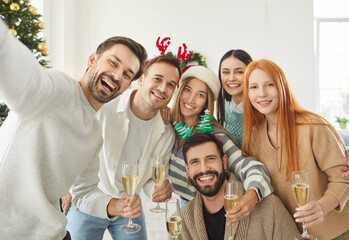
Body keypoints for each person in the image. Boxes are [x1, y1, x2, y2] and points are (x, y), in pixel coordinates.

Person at [0, 20, 147, 240]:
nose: (117, 75)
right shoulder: (58, 89)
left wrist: (114, 205)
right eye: (113, 63)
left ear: (127, 87)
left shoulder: (95, 132)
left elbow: (85, 192)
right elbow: (23, 76)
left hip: (53, 233)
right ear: (92, 60)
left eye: (127, 74)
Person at [65, 54, 181, 240]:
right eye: (157, 79)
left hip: (129, 206)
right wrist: (69, 188)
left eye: (171, 84)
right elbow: (72, 145)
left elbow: (152, 179)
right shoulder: (105, 106)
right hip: (90, 202)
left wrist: (157, 191)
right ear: (141, 79)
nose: (162, 88)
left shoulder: (166, 131)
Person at [242, 59, 349, 239]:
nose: (261, 93)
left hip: (338, 232)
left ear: (282, 87)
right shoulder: (253, 137)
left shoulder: (313, 126)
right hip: (293, 235)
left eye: (269, 85)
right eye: (253, 87)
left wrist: (321, 207)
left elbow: (343, 180)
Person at [168, 65, 273, 223]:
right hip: (182, 208)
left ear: (206, 103)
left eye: (200, 95)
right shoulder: (169, 128)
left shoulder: (215, 136)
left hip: (208, 214)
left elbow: (252, 168)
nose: (190, 99)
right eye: (187, 90)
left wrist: (252, 195)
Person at [178, 133, 299, 240]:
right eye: (195, 162)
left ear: (224, 162)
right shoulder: (182, 219)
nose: (204, 169)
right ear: (187, 170)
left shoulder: (270, 207)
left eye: (210, 159)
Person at [216, 49, 252, 149]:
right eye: (226, 72)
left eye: (239, 72)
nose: (231, 78)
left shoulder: (262, 110)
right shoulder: (223, 106)